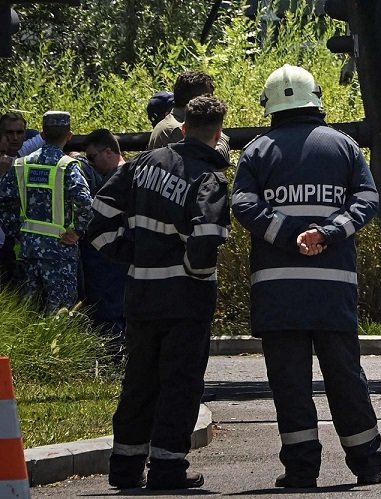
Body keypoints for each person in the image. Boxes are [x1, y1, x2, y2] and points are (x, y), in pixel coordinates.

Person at [233, 65, 381, 489]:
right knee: (345, 376)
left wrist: (286, 235)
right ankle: (367, 463)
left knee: (290, 383)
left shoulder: (257, 151)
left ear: (270, 105)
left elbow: (243, 204)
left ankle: (301, 470)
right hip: (332, 290)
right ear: (316, 99)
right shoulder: (344, 146)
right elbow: (368, 198)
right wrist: (328, 232)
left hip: (277, 293)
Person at [87, 95, 230, 491]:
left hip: (142, 293)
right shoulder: (208, 177)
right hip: (186, 299)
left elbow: (98, 218)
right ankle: (168, 468)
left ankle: (125, 467)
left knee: (140, 381)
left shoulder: (142, 164)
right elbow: (206, 238)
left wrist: (130, 254)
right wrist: (197, 274)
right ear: (217, 133)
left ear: (183, 128)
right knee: (179, 383)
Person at [0, 110, 94, 311]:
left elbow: (4, 200)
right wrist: (77, 231)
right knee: (59, 313)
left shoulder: (21, 164)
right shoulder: (67, 166)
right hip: (60, 251)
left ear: (42, 131)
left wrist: (16, 231)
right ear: (69, 135)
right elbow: (85, 202)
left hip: (27, 250)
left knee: (28, 312)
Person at [79, 128, 128, 338]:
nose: (91, 164)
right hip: (121, 260)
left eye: (92, 157)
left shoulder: (116, 181)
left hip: (110, 262)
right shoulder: (130, 175)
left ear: (108, 152)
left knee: (110, 318)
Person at [150, 70, 229, 153]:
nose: (212, 101)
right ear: (196, 100)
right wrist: (219, 135)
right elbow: (213, 158)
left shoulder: (168, 124)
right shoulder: (180, 130)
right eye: (209, 97)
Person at [0, 110, 28, 288]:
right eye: (9, 133)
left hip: (17, 243)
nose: (15, 138)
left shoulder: (25, 159)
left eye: (20, 132)